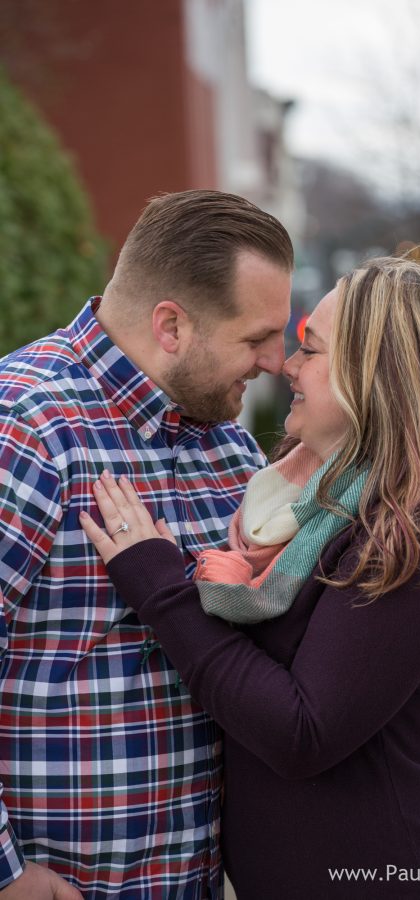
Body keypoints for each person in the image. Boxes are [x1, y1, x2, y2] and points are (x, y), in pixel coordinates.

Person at [81, 257, 420, 900]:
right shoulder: (319, 511)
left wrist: (165, 591)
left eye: (310, 348)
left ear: (378, 378)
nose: (286, 365)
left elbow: (302, 731)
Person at [0, 189, 293, 899]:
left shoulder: (230, 449)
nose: (276, 362)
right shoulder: (28, 428)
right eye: (256, 338)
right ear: (171, 325)